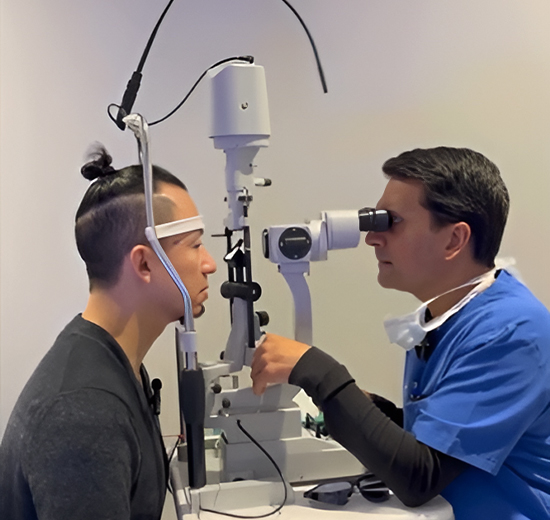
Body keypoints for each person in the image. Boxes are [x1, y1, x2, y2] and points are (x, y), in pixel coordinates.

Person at [250, 147, 550, 519]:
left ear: (454, 239)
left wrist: (321, 374)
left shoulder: (510, 331)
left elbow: (420, 478)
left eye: (391, 222)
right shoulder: (449, 315)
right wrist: (366, 409)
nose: (373, 238)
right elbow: (436, 442)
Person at [0, 146, 217, 520]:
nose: (210, 263)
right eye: (195, 245)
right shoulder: (84, 416)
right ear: (144, 263)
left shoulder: (116, 365)